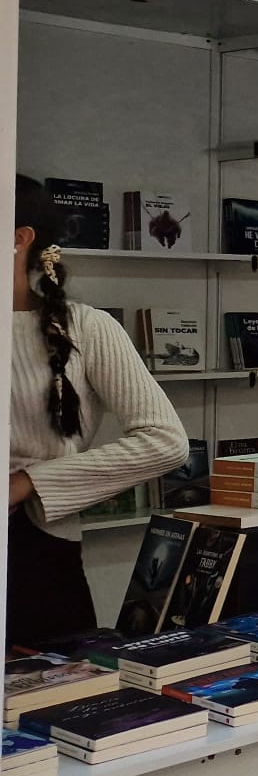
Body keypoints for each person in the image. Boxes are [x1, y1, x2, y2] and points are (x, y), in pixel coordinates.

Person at [9, 175, 188, 644]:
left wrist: (27, 483)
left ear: (19, 238)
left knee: (46, 702)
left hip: (34, 549)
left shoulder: (86, 328)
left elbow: (165, 442)